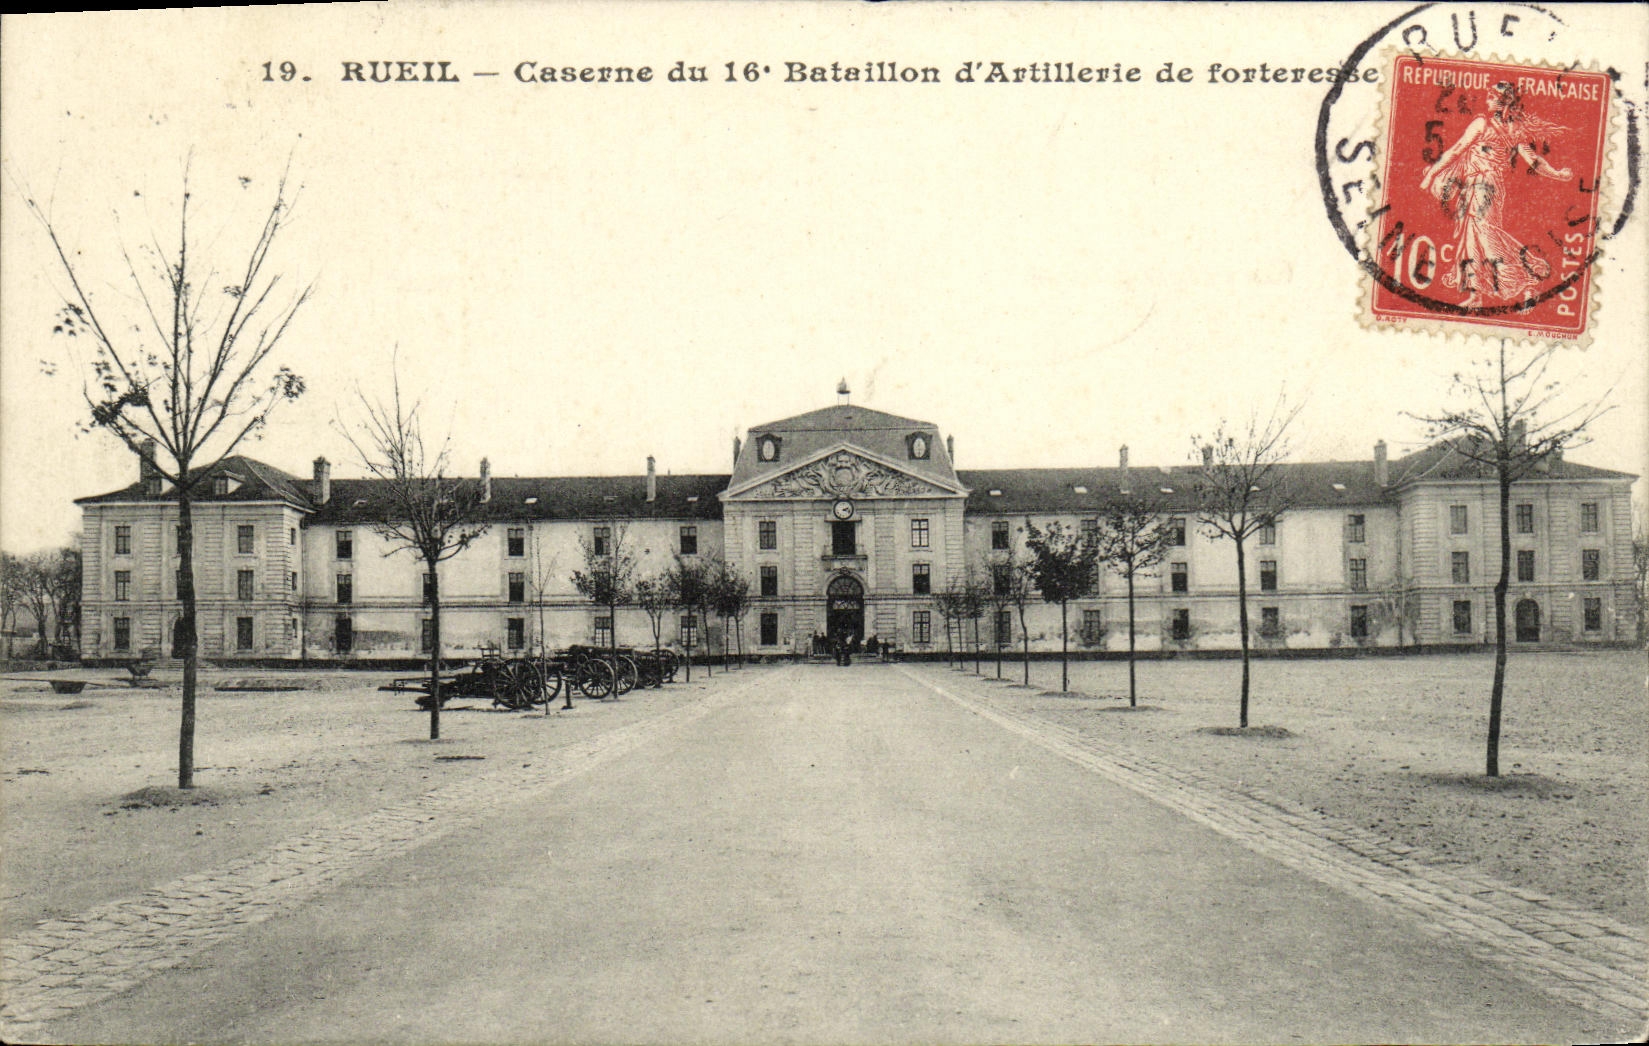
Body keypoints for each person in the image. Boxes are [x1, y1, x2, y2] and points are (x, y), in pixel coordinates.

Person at [1419, 81, 1572, 308]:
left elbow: (1456, 150)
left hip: (1484, 186)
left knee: (1486, 237)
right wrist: (1557, 174)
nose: (1487, 100)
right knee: (1470, 237)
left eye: (1491, 97)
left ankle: (1528, 279)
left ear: (1501, 102)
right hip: (1479, 186)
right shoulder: (1510, 128)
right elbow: (1535, 162)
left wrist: (1430, 174)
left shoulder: (1484, 123)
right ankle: (1476, 295)